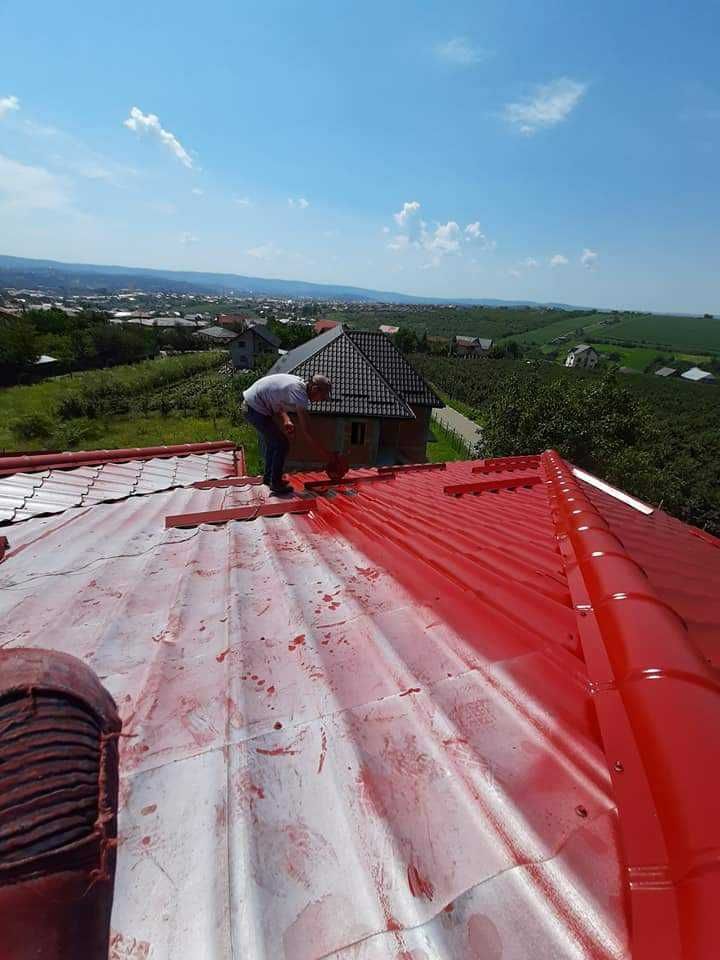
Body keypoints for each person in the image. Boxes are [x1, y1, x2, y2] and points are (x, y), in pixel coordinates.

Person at [242, 372, 333, 494]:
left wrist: (286, 419)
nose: (320, 401)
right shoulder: (300, 393)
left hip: (253, 407)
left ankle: (269, 479)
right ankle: (275, 483)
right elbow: (307, 431)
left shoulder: (299, 385)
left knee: (273, 444)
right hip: (254, 408)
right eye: (321, 397)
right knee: (281, 444)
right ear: (315, 389)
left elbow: (277, 401)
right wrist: (328, 456)